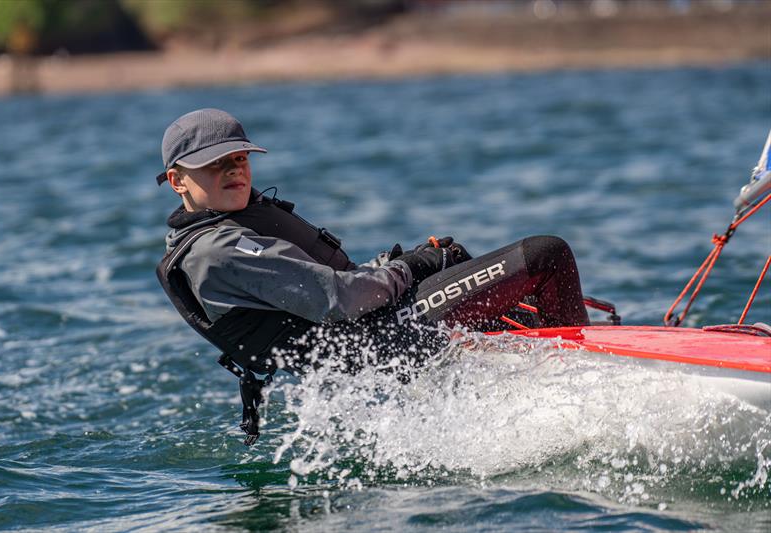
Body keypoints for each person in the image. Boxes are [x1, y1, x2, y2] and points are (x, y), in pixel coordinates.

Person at [156, 108, 590, 443]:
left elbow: (333, 285)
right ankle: (583, 379)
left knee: (475, 277)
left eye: (240, 158)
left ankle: (545, 361)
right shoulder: (219, 251)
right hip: (379, 340)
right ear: (177, 180)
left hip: (373, 336)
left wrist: (391, 265)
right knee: (545, 255)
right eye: (216, 165)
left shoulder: (221, 233)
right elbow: (340, 298)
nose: (234, 170)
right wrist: (413, 266)